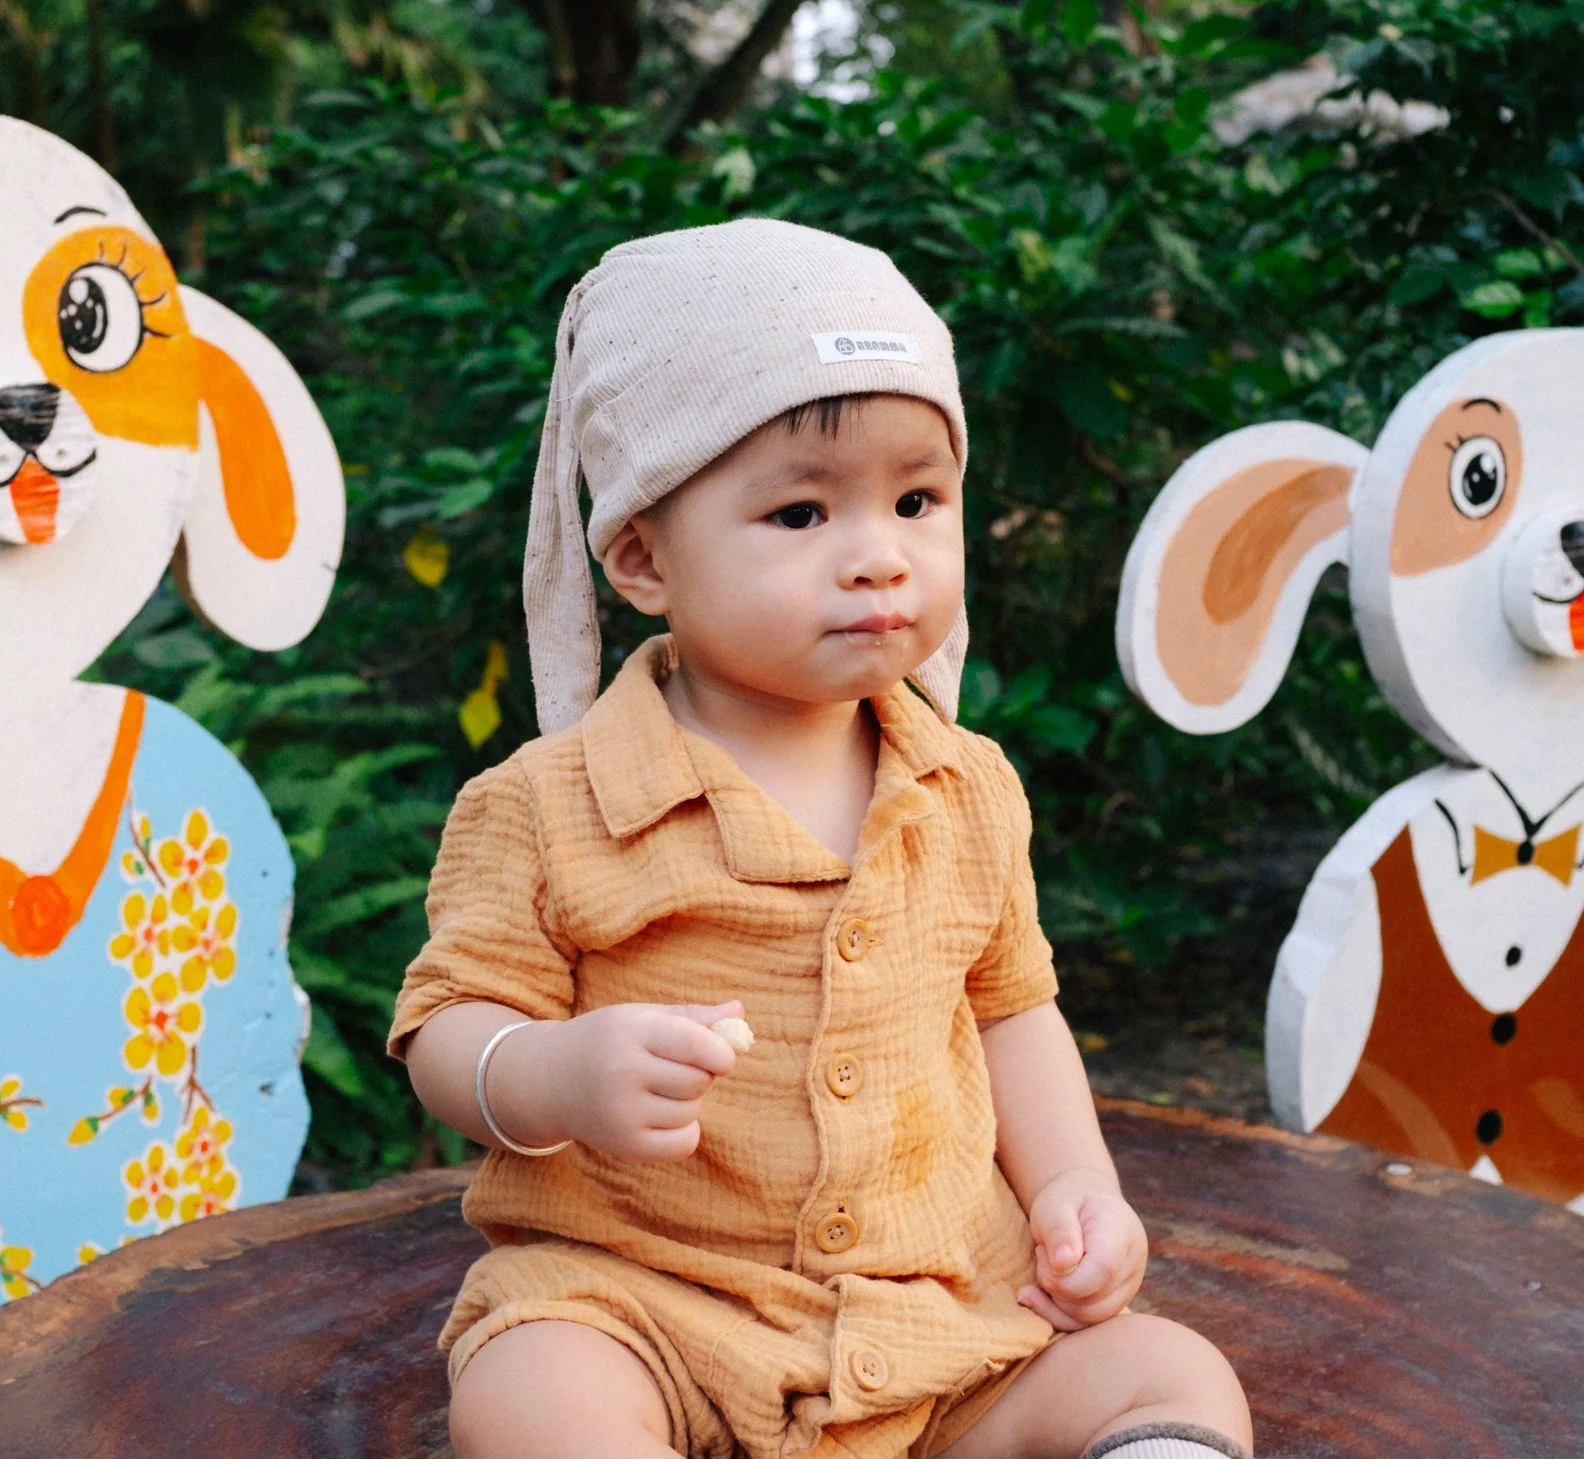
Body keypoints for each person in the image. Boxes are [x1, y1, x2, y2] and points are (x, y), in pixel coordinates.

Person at [390, 221, 1251, 1459]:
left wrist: (1075, 1188)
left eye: (916, 498)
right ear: (641, 555)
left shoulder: (964, 784)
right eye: (800, 513)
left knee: (1168, 1369)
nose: (878, 556)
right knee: (533, 1391)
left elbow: (1011, 1012)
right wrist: (558, 1070)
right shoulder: (542, 801)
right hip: (649, 1302)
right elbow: (446, 1028)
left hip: (942, 1316)